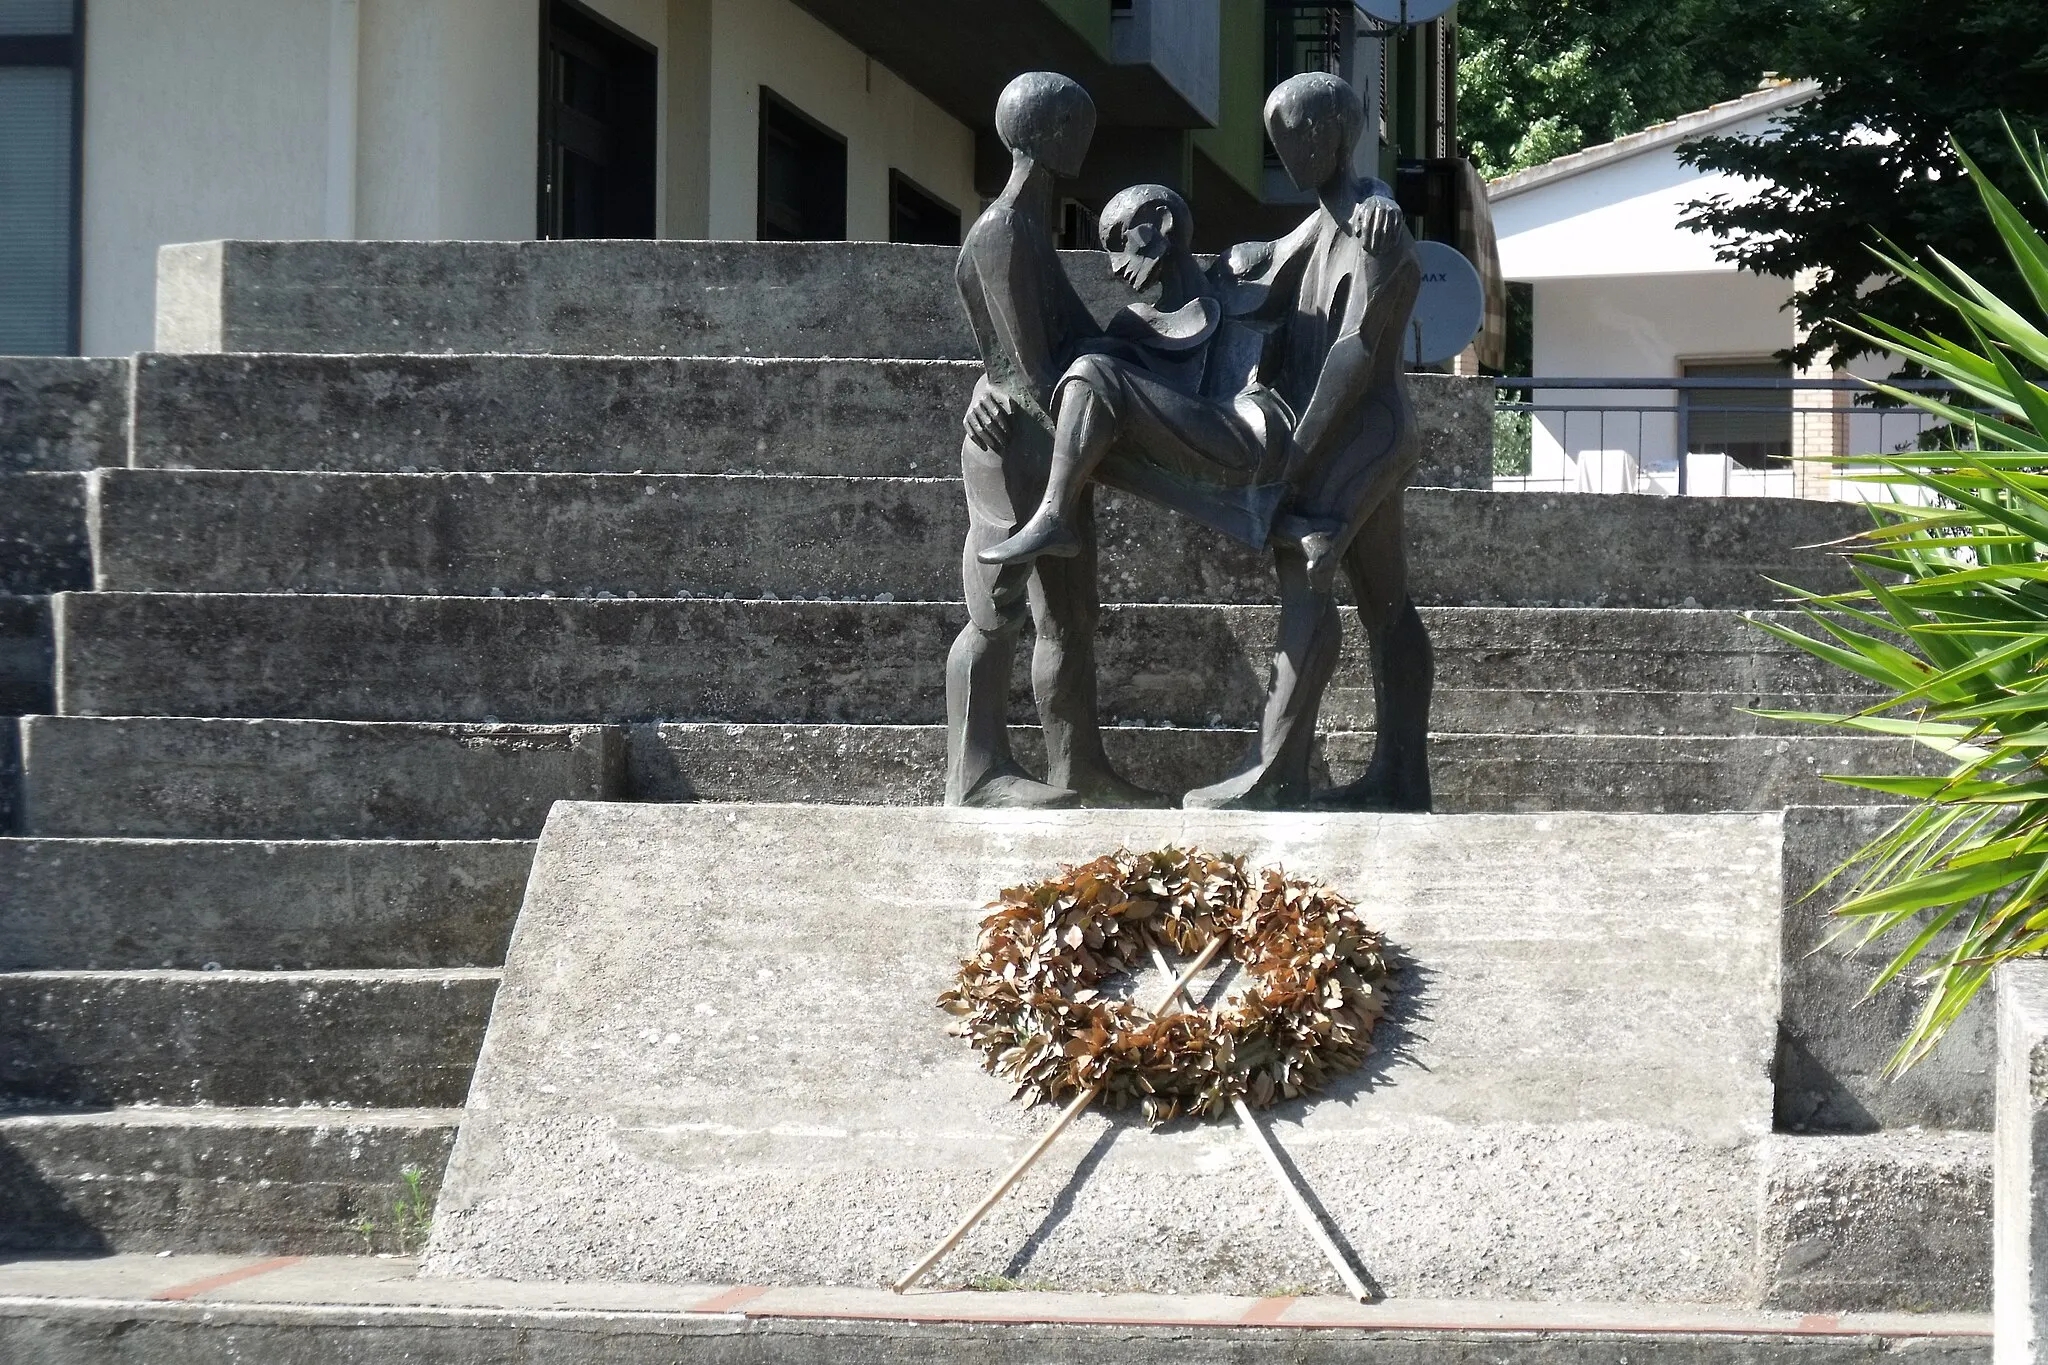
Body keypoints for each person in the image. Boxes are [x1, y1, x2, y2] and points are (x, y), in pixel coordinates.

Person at [985, 72, 1435, 811]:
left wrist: (1299, 456)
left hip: (1356, 435)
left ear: (1330, 135)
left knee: (1309, 560)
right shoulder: (1326, 220)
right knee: (1388, 603)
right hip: (1336, 431)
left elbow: (1354, 354)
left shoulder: (1372, 229)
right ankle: (1401, 779)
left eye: (1294, 136)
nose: (1283, 150)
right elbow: (1260, 264)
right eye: (1277, 137)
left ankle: (1277, 774)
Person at [943, 71, 1158, 809]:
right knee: (994, 606)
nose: (1086, 142)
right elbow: (1030, 368)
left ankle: (1078, 766)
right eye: (1078, 127)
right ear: (1048, 132)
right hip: (1014, 445)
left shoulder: (1034, 230)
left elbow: (1081, 340)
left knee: (1070, 616)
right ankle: (974, 773)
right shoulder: (1002, 230)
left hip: (1052, 448)